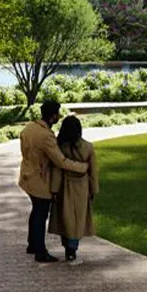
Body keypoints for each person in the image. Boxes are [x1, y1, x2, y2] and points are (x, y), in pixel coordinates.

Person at [18, 99, 88, 263]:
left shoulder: (29, 128)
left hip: (26, 175)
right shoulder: (46, 136)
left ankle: (33, 244)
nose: (59, 117)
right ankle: (40, 252)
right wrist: (81, 167)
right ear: (53, 116)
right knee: (40, 214)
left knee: (36, 211)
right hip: (39, 180)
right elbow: (60, 161)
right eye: (57, 114)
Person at [48, 114, 99, 265]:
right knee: (77, 220)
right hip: (81, 187)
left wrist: (54, 189)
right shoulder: (88, 147)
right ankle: (73, 249)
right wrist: (93, 189)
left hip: (64, 186)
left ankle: (68, 250)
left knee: (66, 219)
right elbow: (93, 171)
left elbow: (57, 170)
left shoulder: (60, 147)